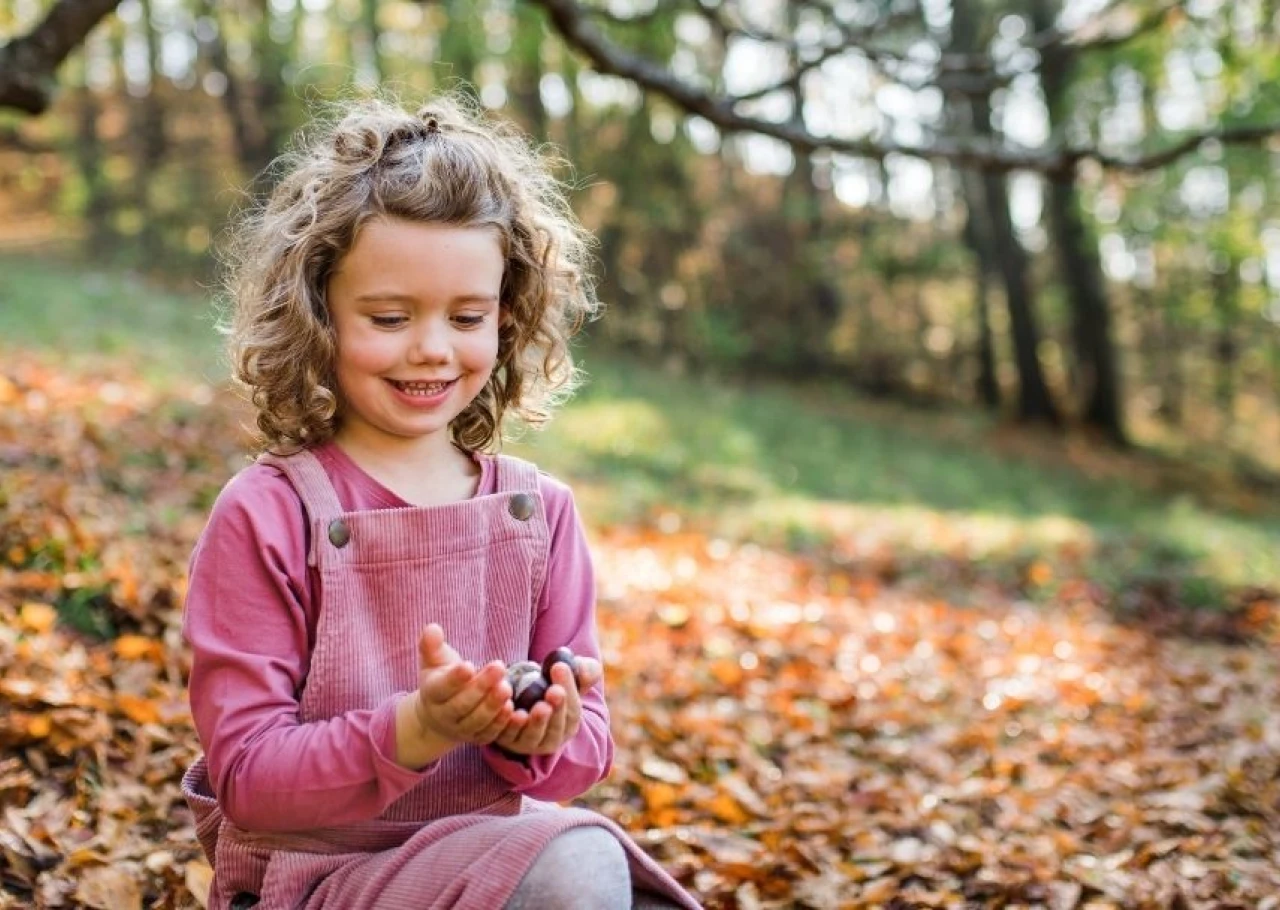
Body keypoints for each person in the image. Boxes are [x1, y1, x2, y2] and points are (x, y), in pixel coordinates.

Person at [180, 95, 701, 910]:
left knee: (610, 876)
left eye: (467, 316)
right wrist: (416, 730)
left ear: (509, 315)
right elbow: (248, 779)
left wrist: (536, 734)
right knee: (577, 870)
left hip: (484, 859)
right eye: (390, 317)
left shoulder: (540, 514)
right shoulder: (269, 514)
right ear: (318, 313)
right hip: (315, 881)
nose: (431, 347)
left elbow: (583, 753)